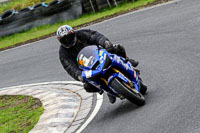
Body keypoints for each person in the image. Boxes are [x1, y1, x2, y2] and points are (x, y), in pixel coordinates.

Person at [57, 25, 139, 104]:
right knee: (87, 86)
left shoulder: (82, 34)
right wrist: (78, 75)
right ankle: (107, 90)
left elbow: (95, 36)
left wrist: (105, 42)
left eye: (69, 37)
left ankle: (127, 60)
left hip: (99, 54)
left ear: (73, 34)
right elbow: (69, 67)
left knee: (117, 48)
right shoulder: (63, 52)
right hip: (87, 68)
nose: (68, 41)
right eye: (64, 40)